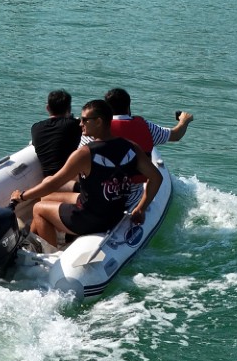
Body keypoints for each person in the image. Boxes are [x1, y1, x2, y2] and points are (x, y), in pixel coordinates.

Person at [11, 99, 163, 250]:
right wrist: (141, 208)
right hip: (114, 214)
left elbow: (54, 183)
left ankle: (50, 255)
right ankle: (31, 242)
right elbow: (156, 177)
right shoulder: (131, 147)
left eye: (84, 120)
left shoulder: (85, 154)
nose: (80, 123)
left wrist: (22, 196)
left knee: (38, 208)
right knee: (45, 198)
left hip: (90, 219)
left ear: (98, 121)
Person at [99, 86, 193, 154]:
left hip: (106, 180)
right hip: (139, 181)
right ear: (128, 107)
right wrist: (184, 121)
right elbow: (176, 135)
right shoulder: (147, 127)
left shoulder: (97, 129)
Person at [30, 89, 82, 177]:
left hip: (48, 178)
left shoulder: (35, 127)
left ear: (47, 108)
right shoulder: (74, 125)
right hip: (67, 178)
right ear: (69, 109)